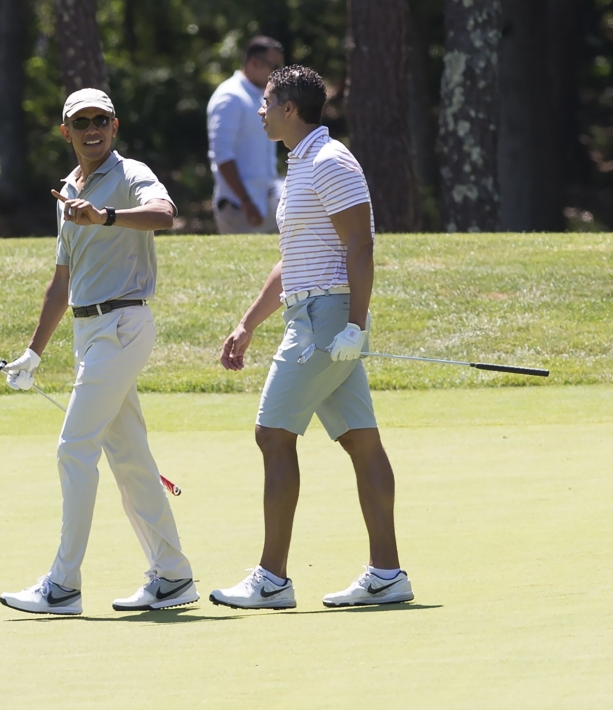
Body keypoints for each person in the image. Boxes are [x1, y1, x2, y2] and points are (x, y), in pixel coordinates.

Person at [209, 65, 413, 610]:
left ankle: (271, 579)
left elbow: (361, 246)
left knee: (273, 435)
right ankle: (387, 573)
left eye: (267, 101)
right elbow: (292, 258)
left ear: (289, 109)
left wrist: (355, 325)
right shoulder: (300, 164)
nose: (260, 109)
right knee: (360, 439)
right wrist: (247, 324)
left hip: (327, 320)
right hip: (311, 313)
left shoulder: (329, 161)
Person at [0, 88, 198, 615]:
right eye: (81, 121)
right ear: (66, 131)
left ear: (114, 125)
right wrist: (34, 353)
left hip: (124, 324)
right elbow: (61, 282)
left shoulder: (130, 173)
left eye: (100, 120)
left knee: (73, 449)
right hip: (90, 334)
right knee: (130, 457)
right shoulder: (67, 191)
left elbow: (164, 213)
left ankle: (63, 586)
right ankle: (174, 576)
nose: (92, 129)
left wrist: (106, 215)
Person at [207, 36, 284, 234]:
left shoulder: (259, 95)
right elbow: (222, 155)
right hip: (239, 208)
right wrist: (246, 201)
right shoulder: (230, 96)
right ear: (254, 62)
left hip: (265, 202)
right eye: (274, 68)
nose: (277, 75)